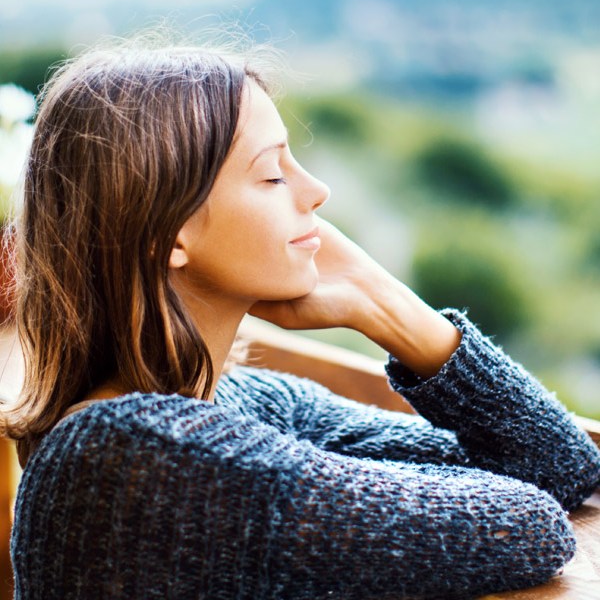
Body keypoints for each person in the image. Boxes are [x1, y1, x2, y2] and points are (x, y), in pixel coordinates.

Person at [2, 39, 599, 600]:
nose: (316, 190)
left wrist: (388, 308)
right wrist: (382, 298)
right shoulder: (130, 454)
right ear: (166, 233)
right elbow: (523, 526)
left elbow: (559, 467)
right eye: (272, 174)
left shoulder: (241, 403)